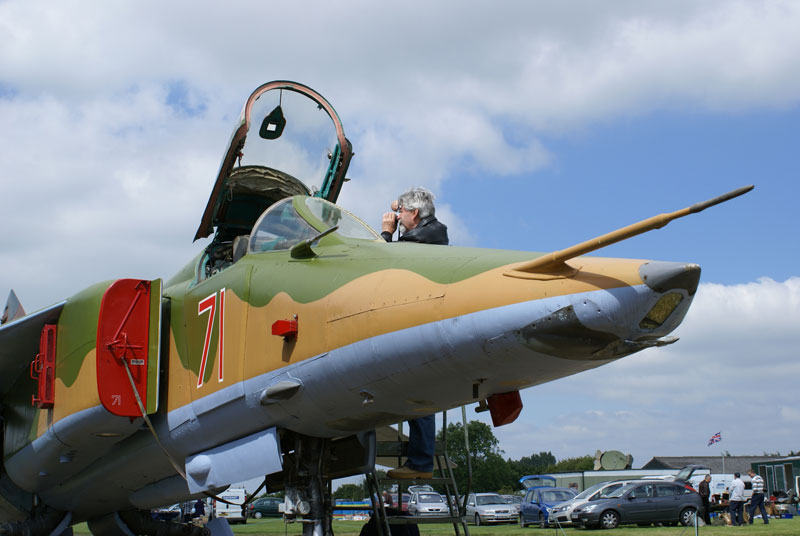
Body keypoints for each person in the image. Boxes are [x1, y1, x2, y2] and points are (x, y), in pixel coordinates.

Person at [381, 187, 448, 479]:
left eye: (403, 213)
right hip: (428, 322)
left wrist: (386, 233)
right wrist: (399, 205)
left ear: (415, 215)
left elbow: (380, 264)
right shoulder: (433, 230)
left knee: (415, 391)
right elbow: (411, 204)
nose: (398, 216)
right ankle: (420, 461)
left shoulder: (418, 239)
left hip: (420, 325)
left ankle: (420, 464)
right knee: (416, 390)